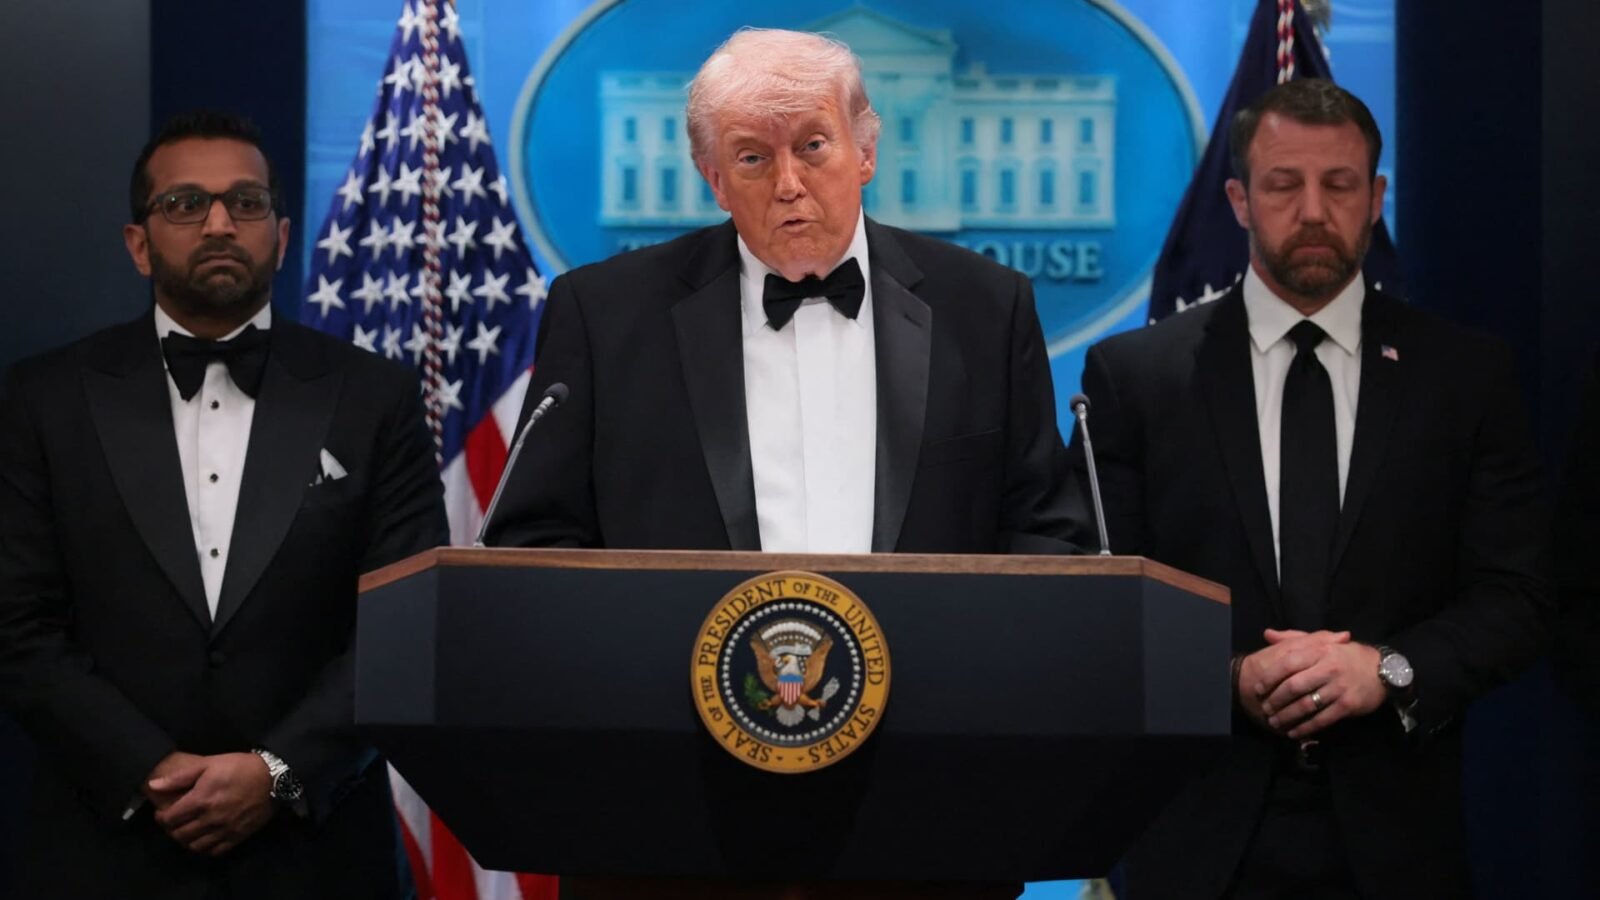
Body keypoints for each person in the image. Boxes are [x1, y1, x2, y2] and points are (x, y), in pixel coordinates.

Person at [485, 26, 1074, 900]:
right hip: (667, 821)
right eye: (753, 158)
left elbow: (1046, 538)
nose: (789, 183)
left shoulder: (985, 308)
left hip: (925, 813)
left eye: (813, 146)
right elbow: (534, 545)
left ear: (865, 151)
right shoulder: (604, 315)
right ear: (713, 178)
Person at [1067, 79, 1550, 899]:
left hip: (1402, 841)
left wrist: (1388, 669)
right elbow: (1092, 596)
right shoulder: (1137, 378)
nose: (1315, 211)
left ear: (1377, 198)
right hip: (1194, 839)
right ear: (1239, 200)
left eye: (1341, 185)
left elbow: (1518, 595)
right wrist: (1226, 677)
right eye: (1285, 185)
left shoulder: (1465, 376)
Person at [0, 111, 447, 899]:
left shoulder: (375, 398)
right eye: (184, 204)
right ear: (138, 244)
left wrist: (277, 772)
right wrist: (150, 771)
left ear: (281, 233)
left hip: (318, 855)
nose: (217, 224)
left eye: (245, 202)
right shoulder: (43, 399)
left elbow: (405, 629)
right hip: (103, 851)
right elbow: (17, 626)